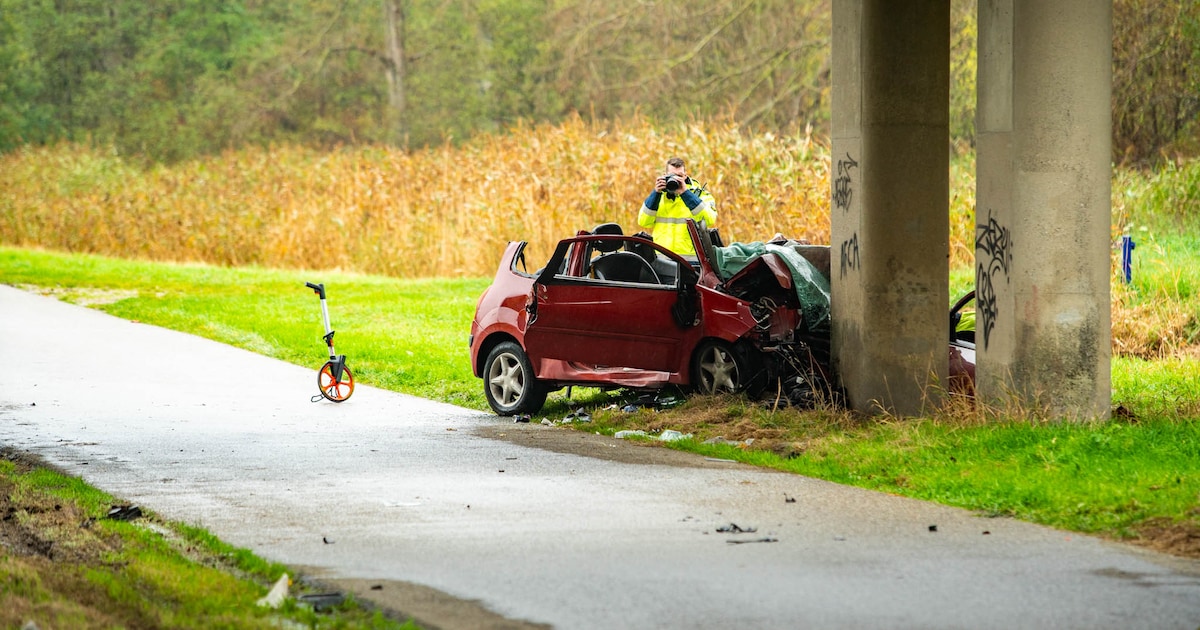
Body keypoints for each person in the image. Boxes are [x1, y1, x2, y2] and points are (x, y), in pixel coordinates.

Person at [636, 157, 717, 256]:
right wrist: (656, 193)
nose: (675, 179)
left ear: (685, 176)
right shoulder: (659, 196)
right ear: (665, 176)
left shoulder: (700, 195)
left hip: (690, 260)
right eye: (672, 176)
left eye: (679, 176)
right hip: (662, 258)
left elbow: (710, 220)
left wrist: (685, 193)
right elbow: (644, 222)